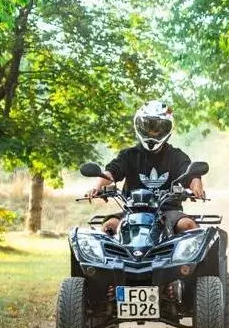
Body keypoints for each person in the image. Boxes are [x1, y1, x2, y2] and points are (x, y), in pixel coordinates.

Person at [86, 100, 205, 236]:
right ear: (139, 126)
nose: (152, 133)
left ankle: (190, 257)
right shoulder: (129, 155)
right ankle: (111, 258)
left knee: (187, 225)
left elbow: (189, 173)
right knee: (109, 226)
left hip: (168, 212)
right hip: (132, 212)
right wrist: (97, 187)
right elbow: (112, 172)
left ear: (167, 129)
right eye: (148, 127)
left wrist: (196, 186)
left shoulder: (176, 156)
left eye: (157, 129)